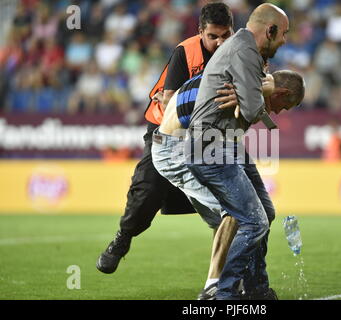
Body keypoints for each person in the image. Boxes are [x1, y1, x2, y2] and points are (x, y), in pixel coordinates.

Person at [96, 3, 235, 288]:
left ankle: (228, 278)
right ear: (200, 32)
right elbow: (171, 101)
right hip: (166, 134)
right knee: (146, 195)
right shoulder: (186, 52)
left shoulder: (236, 53)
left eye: (225, 35)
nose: (220, 42)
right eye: (213, 36)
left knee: (230, 206)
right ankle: (122, 239)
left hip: (207, 136)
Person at [152, 69, 305, 299]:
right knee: (239, 211)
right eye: (284, 105)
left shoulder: (244, 79)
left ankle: (255, 288)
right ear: (281, 92)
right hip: (177, 148)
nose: (278, 112)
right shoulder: (243, 90)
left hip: (209, 142)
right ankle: (216, 288)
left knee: (261, 212)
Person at [185, 3, 292, 300]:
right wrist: (262, 92)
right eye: (283, 34)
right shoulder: (244, 51)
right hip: (209, 147)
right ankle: (226, 294)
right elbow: (252, 108)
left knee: (265, 212)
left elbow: (249, 107)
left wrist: (253, 94)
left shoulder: (248, 51)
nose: (284, 40)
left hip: (226, 143)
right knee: (253, 220)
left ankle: (256, 289)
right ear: (269, 30)